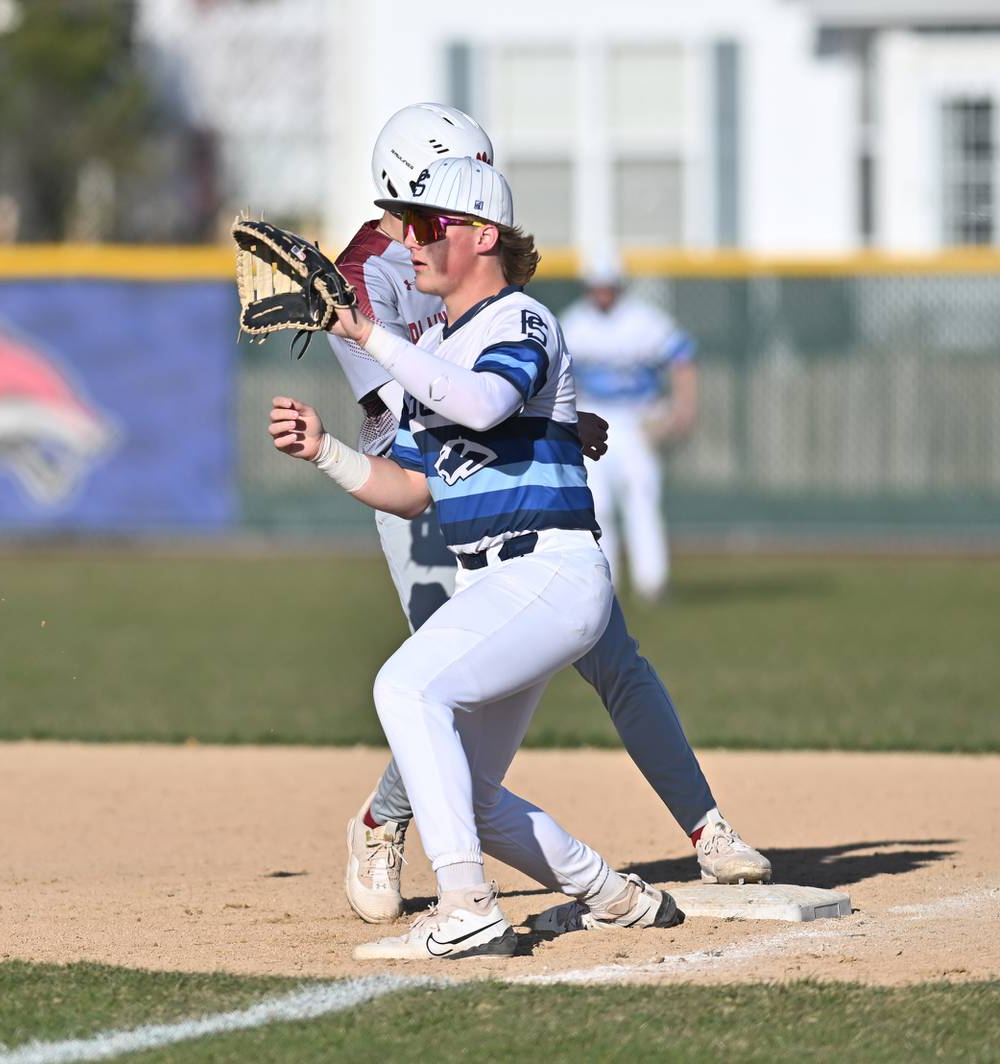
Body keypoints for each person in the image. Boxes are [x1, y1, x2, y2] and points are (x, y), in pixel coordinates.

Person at [326, 104, 769, 931]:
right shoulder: (362, 272)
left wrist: (555, 423)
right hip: (421, 480)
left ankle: (705, 829)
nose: (458, 215)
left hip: (507, 480)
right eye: (448, 192)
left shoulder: (467, 263)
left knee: (614, 658)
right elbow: (409, 410)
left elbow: (502, 371)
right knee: (432, 690)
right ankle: (386, 827)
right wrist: (326, 444)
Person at [271, 155, 684, 960]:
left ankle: (465, 903)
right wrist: (325, 452)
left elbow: (489, 401)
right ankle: (616, 895)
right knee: (476, 798)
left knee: (403, 684)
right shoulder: (444, 351)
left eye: (426, 224)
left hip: (550, 572)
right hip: (502, 589)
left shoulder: (521, 321)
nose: (407, 241)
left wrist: (366, 332)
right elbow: (415, 489)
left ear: (481, 236)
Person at [560, 254, 699, 603]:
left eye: (608, 286)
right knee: (596, 505)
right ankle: (602, 583)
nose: (603, 293)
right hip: (592, 423)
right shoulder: (574, 323)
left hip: (638, 422)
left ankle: (652, 583)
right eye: (597, 286)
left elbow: (682, 357)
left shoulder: (643, 321)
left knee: (642, 499)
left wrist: (682, 410)